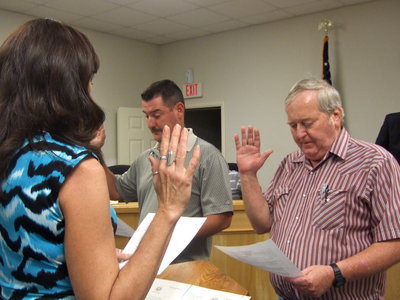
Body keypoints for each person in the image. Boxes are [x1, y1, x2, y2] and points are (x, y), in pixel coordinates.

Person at [0, 18, 200, 299]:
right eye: (88, 80)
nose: (90, 90)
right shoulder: (77, 170)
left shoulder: (12, 154)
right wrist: (168, 210)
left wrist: (90, 261)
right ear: (69, 87)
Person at [234, 78, 400, 299]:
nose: (299, 134)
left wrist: (334, 273)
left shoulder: (375, 162)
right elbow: (261, 223)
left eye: (307, 123)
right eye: (293, 126)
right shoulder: (289, 164)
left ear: (336, 116)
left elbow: (394, 243)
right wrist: (248, 175)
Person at [106, 79, 233, 263]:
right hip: (144, 265)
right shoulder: (145, 159)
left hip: (185, 268)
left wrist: (168, 231)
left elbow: (221, 219)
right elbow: (116, 191)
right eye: (146, 116)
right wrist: (92, 151)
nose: (150, 124)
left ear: (179, 110)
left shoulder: (208, 156)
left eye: (156, 115)